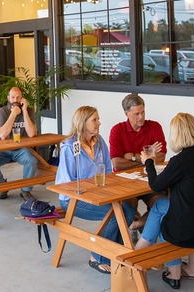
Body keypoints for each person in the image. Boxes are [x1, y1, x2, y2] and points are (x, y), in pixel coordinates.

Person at [134, 112, 194, 289]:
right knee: (164, 208)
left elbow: (156, 184)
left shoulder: (180, 160)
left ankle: (141, 252)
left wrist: (149, 162)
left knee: (162, 212)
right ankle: (181, 266)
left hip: (189, 228)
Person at [55, 106, 136, 275]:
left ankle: (116, 252)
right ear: (83, 123)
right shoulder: (69, 147)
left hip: (97, 194)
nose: (99, 123)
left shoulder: (99, 142)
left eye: (98, 119)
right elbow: (67, 184)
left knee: (127, 210)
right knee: (115, 214)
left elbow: (108, 171)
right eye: (95, 120)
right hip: (73, 198)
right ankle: (97, 256)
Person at [108, 94, 166, 230]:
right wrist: (145, 159)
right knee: (129, 207)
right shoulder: (117, 130)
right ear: (126, 114)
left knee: (162, 204)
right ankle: (132, 229)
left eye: (143, 112)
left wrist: (131, 157)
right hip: (125, 182)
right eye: (136, 114)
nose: (141, 117)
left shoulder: (155, 127)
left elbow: (161, 157)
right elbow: (117, 163)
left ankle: (138, 224)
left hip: (150, 179)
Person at [0, 86, 39, 200]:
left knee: (32, 161)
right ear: (8, 98)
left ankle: (25, 191)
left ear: (22, 98)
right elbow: (3, 135)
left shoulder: (29, 110)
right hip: (3, 148)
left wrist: (24, 111)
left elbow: (32, 133)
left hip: (21, 148)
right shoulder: (2, 111)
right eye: (13, 97)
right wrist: (13, 114)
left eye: (18, 97)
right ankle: (2, 187)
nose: (15, 100)